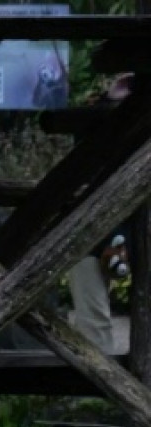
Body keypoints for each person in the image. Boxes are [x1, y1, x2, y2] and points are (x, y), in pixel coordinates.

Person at [69, 73, 136, 354]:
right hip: (98, 222)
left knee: (93, 314)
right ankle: (100, 367)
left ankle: (100, 366)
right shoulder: (101, 117)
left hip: (110, 221)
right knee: (92, 311)